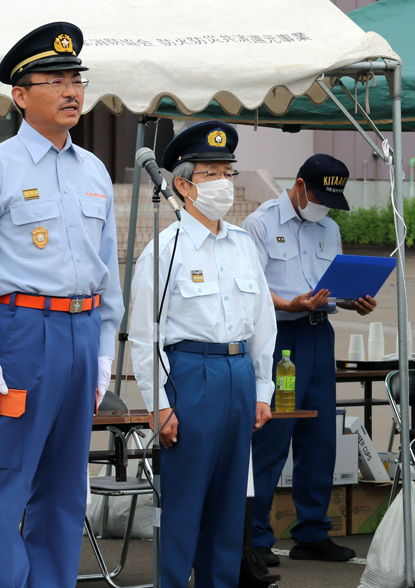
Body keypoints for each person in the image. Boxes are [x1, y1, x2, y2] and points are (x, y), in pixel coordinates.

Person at [0, 22, 123, 588]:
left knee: (67, 485)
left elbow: (108, 273)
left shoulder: (94, 169)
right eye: (55, 80)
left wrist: (104, 350)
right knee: (9, 480)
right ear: (20, 96)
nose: (72, 90)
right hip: (21, 334)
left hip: (79, 333)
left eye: (77, 78)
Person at [129, 120, 277, 588]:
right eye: (212, 174)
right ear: (183, 184)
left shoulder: (242, 245)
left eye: (228, 174)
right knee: (186, 501)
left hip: (237, 374)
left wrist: (262, 389)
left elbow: (263, 325)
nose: (224, 185)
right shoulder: (165, 250)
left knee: (230, 504)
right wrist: (160, 403)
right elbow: (143, 335)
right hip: (191, 375)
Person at [244, 154, 375, 565]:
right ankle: (255, 537)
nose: (323, 207)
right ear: (299, 186)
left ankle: (312, 531)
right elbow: (250, 290)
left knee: (320, 440)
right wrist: (290, 303)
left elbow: (329, 286)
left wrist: (353, 300)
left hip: (320, 334)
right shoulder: (260, 224)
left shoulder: (328, 227)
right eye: (317, 197)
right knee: (272, 438)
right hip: (281, 338)